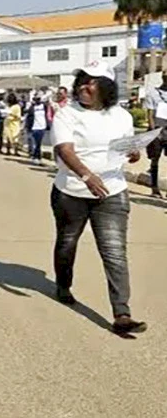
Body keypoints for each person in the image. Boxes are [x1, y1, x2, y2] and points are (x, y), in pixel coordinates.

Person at [50, 60, 147, 336]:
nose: (84, 86)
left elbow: (127, 146)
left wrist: (134, 153)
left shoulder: (122, 116)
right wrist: (86, 176)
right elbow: (65, 150)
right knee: (67, 243)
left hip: (112, 192)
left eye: (91, 81)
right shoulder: (66, 114)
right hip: (71, 192)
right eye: (82, 80)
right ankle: (63, 284)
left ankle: (122, 314)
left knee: (115, 252)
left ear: (106, 87)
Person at [144, 69, 167, 198]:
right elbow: (150, 115)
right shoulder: (153, 93)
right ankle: (154, 188)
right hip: (158, 130)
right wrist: (154, 132)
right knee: (155, 160)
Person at [26, 95, 50, 165]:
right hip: (34, 127)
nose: (37, 101)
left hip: (42, 127)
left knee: (38, 143)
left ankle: (37, 157)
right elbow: (29, 117)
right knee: (35, 143)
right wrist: (28, 127)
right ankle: (36, 157)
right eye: (36, 99)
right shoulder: (32, 107)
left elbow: (47, 114)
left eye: (38, 99)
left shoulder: (44, 107)